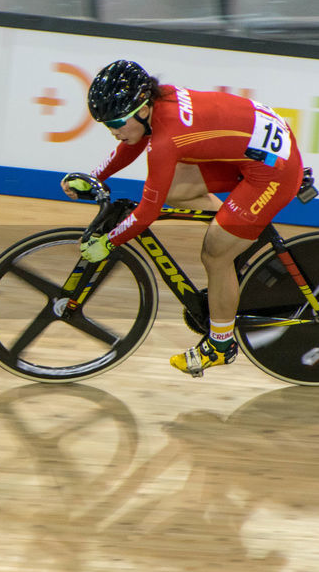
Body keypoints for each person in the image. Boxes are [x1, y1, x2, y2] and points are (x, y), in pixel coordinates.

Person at [62, 59, 304, 377]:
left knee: (214, 253)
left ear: (143, 108)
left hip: (274, 172)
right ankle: (238, 225)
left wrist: (110, 241)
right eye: (107, 124)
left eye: (117, 122)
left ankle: (220, 345)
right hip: (257, 153)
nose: (113, 131)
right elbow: (132, 142)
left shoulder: (167, 139)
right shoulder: (158, 102)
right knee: (175, 187)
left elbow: (147, 212)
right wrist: (96, 175)